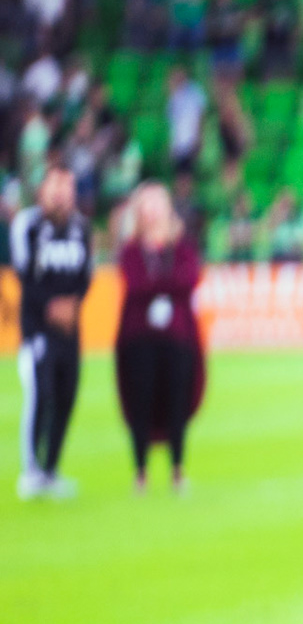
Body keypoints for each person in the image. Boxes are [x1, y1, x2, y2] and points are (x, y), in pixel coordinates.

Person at [114, 182, 204, 495]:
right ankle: (140, 472)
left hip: (177, 336)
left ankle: (178, 469)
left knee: (176, 398)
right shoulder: (131, 249)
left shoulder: (181, 247)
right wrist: (165, 286)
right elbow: (135, 283)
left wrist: (160, 285)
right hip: (140, 337)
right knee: (141, 398)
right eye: (147, 204)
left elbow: (189, 278)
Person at [12, 163, 90, 500]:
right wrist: (51, 306)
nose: (61, 194)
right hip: (37, 329)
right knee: (40, 395)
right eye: (55, 186)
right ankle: (31, 470)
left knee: (66, 396)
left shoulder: (81, 227)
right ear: (42, 190)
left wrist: (73, 305)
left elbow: (86, 275)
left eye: (67, 187)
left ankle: (52, 470)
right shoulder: (27, 225)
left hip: (71, 331)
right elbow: (23, 274)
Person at [164, 65, 205, 177]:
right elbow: (172, 123)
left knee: (188, 173)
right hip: (178, 143)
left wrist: (198, 139)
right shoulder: (174, 97)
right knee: (179, 173)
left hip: (191, 141)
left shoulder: (195, 92)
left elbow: (200, 116)